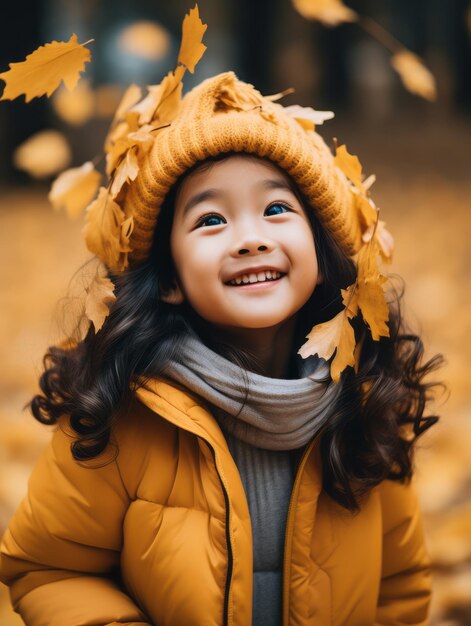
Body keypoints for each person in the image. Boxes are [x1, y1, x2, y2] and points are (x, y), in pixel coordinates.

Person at [0, 13, 443, 626]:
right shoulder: (118, 416)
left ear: (322, 252)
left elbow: (400, 585)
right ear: (172, 280)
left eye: (276, 209)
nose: (249, 238)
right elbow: (47, 566)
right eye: (211, 220)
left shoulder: (365, 407)